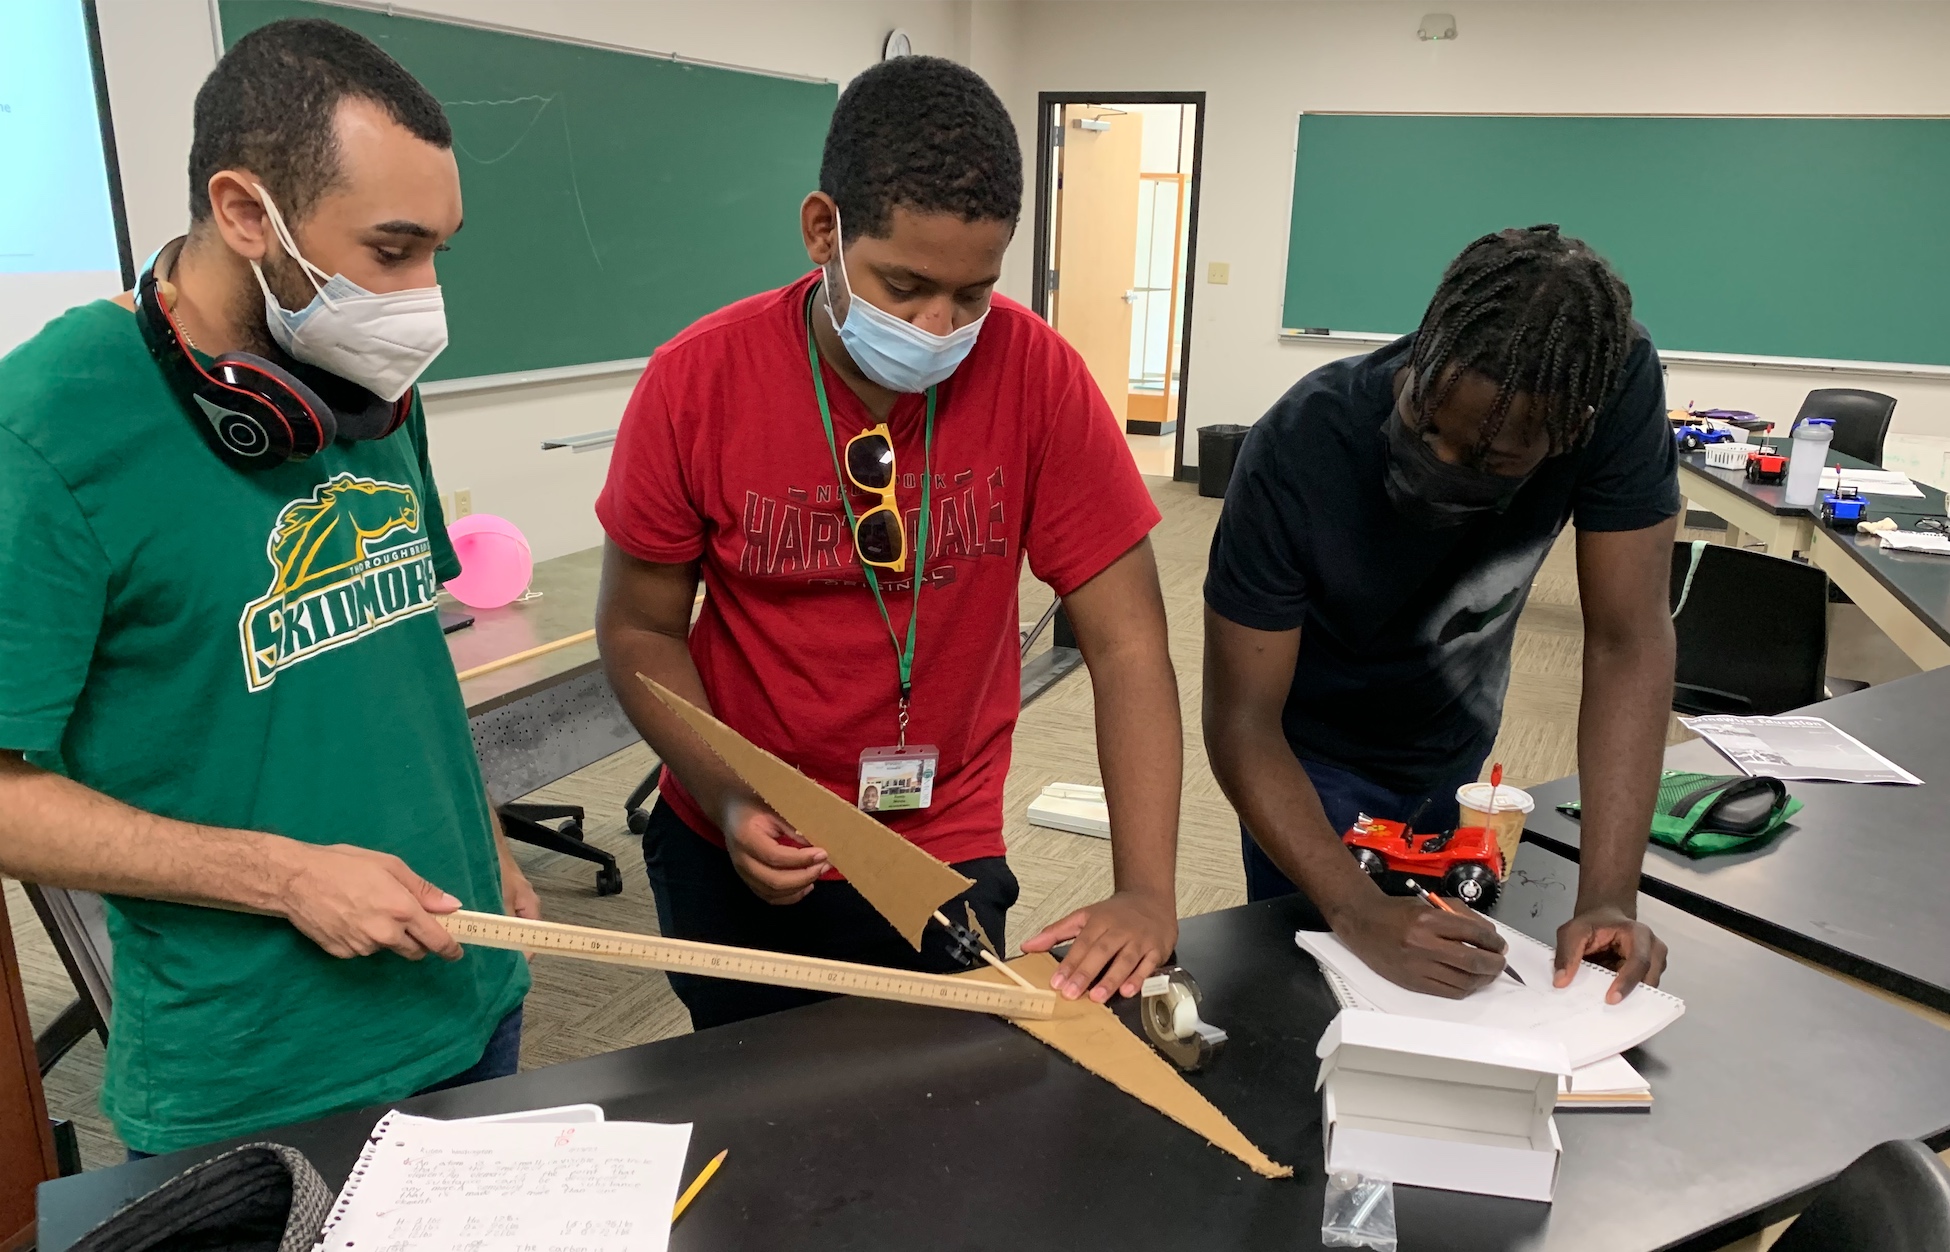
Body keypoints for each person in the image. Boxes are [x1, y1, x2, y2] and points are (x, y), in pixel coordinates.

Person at [0, 19, 534, 1157]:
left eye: (440, 248)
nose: (422, 294)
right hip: (257, 1077)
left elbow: (406, 657)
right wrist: (285, 875)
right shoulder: (47, 425)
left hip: (470, 999)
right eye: (392, 250)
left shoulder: (372, 383)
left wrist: (482, 840)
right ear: (246, 213)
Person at [596, 56, 1181, 1030]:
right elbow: (640, 632)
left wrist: (1146, 888)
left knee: (931, 1122)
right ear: (823, 229)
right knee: (752, 1123)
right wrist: (732, 795)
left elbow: (1128, 645)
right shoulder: (696, 381)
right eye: (905, 285)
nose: (939, 326)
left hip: (935, 841)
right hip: (735, 835)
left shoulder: (1038, 378)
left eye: (974, 292)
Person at [1202, 225, 1674, 1003]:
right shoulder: (1303, 440)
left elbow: (1629, 641)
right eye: (1426, 427)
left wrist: (1608, 899)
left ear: (1570, 429)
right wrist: (1353, 908)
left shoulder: (1611, 386)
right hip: (1305, 759)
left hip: (1454, 741)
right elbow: (1240, 720)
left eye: (1492, 462)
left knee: (1449, 992)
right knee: (1305, 1007)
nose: (1443, 467)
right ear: (1424, 351)